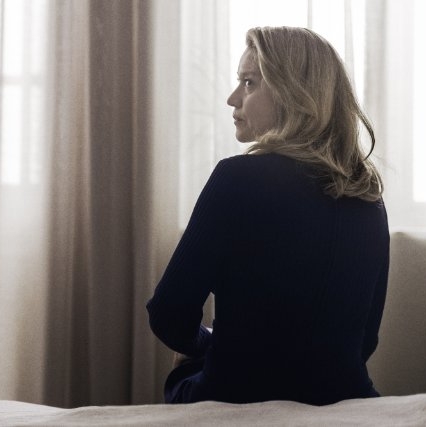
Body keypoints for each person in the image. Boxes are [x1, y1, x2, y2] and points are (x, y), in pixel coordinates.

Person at [146, 26, 390, 406]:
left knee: (185, 372)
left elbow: (168, 315)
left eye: (248, 83)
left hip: (236, 397)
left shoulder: (236, 179)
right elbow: (365, 341)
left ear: (293, 94)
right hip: (345, 399)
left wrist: (207, 343)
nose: (232, 99)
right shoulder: (367, 194)